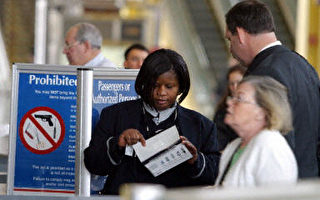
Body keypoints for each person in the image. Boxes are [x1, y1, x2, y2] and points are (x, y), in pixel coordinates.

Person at [84, 48, 220, 195]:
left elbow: (215, 175)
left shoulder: (201, 125)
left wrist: (196, 160)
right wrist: (117, 144)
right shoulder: (115, 115)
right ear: (144, 83)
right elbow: (93, 164)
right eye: (155, 85)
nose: (161, 92)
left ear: (180, 87)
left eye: (169, 86)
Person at [225, 0, 320, 178]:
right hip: (310, 182)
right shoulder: (302, 64)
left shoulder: (263, 74)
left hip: (281, 186)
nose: (231, 49)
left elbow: (275, 137)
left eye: (230, 40)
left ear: (240, 34)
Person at [215, 75, 297, 187]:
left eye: (239, 98)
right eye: (232, 97)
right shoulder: (235, 145)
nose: (229, 103)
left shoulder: (270, 146)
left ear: (262, 112)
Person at [213, 64, 246, 151]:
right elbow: (219, 142)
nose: (235, 87)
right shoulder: (222, 111)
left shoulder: (257, 106)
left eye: (239, 82)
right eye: (232, 84)